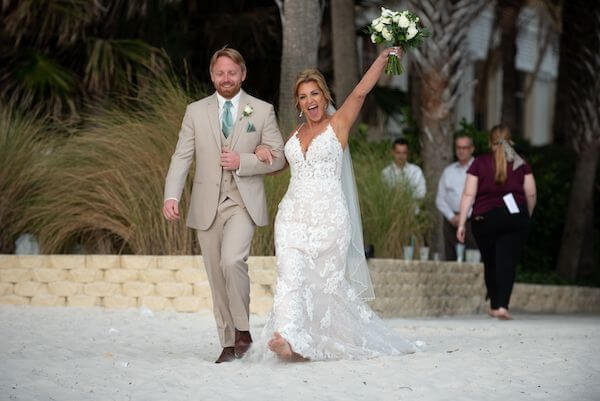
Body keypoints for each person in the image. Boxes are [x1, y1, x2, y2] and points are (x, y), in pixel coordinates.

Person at [253, 47, 418, 362]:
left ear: (325, 96)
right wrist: (262, 153)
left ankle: (312, 344)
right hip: (291, 217)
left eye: (315, 93)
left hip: (329, 219)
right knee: (290, 278)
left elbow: (359, 92)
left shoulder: (338, 123)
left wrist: (382, 58)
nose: (310, 100)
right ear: (298, 104)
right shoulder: (296, 132)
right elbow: (280, 166)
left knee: (325, 288)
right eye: (303, 96)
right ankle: (289, 338)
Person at [162, 47, 285, 363]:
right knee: (216, 275)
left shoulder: (261, 110)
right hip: (206, 204)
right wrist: (172, 196)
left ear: (242, 74)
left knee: (232, 261)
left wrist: (243, 161)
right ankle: (229, 343)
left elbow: (280, 158)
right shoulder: (195, 111)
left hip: (242, 203)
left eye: (232, 72)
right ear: (212, 75)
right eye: (220, 73)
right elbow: (181, 156)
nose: (226, 78)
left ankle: (242, 330)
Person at [456, 124, 536, 320]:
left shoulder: (479, 163)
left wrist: (461, 223)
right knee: (507, 261)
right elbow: (531, 193)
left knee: (490, 261)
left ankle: (494, 305)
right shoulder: (521, 164)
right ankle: (502, 306)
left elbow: (468, 193)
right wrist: (527, 215)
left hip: (484, 219)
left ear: (490, 142)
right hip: (514, 218)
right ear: (510, 141)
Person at [436, 135, 478, 260]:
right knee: (451, 257)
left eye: (465, 147)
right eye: (458, 147)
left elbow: (480, 197)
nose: (461, 151)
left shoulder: (479, 169)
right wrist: (452, 216)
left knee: (473, 256)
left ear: (472, 149)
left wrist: (464, 216)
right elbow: (440, 198)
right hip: (451, 220)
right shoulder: (448, 171)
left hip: (473, 219)